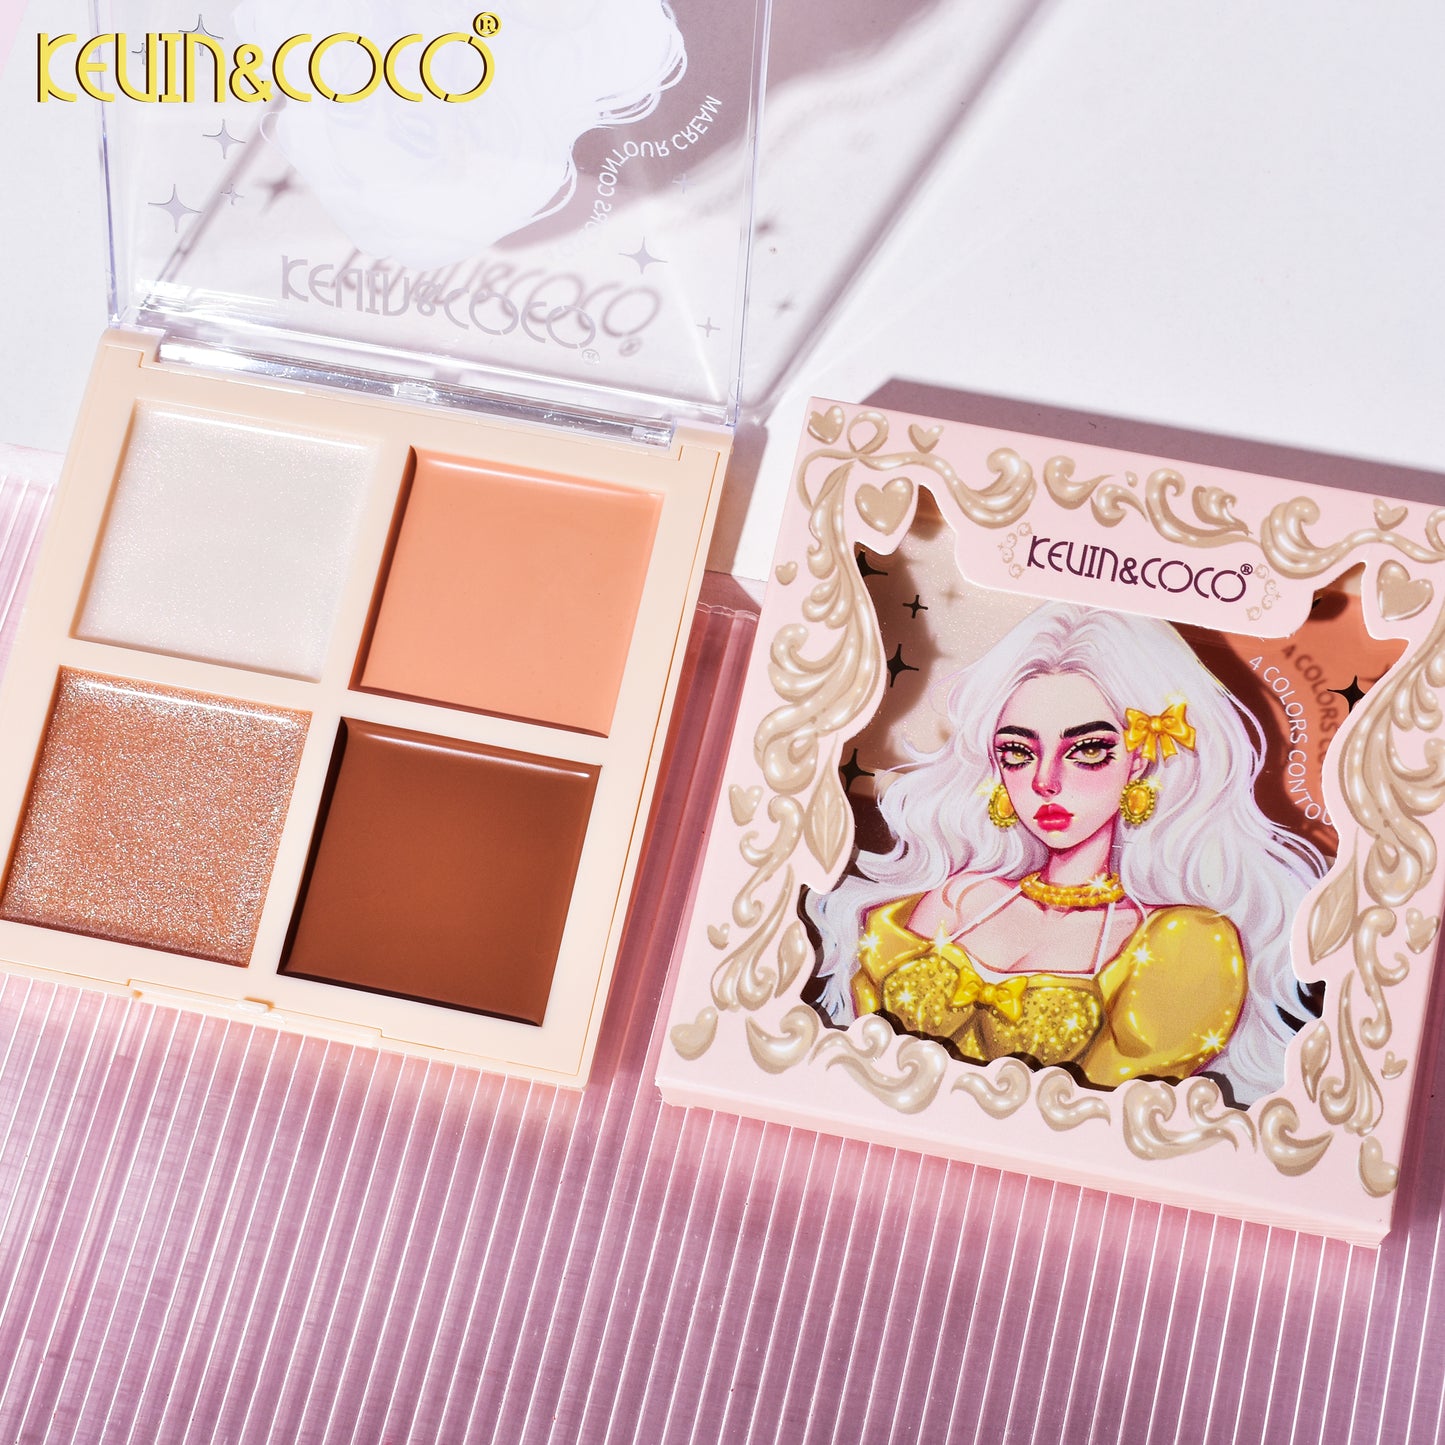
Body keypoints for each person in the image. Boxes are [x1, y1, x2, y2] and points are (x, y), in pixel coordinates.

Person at [807, 602, 1326, 1106]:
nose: (1045, 781)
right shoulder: (957, 898)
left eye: (1088, 750)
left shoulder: (1183, 942)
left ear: (1139, 759)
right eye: (1018, 752)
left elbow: (1109, 1116)